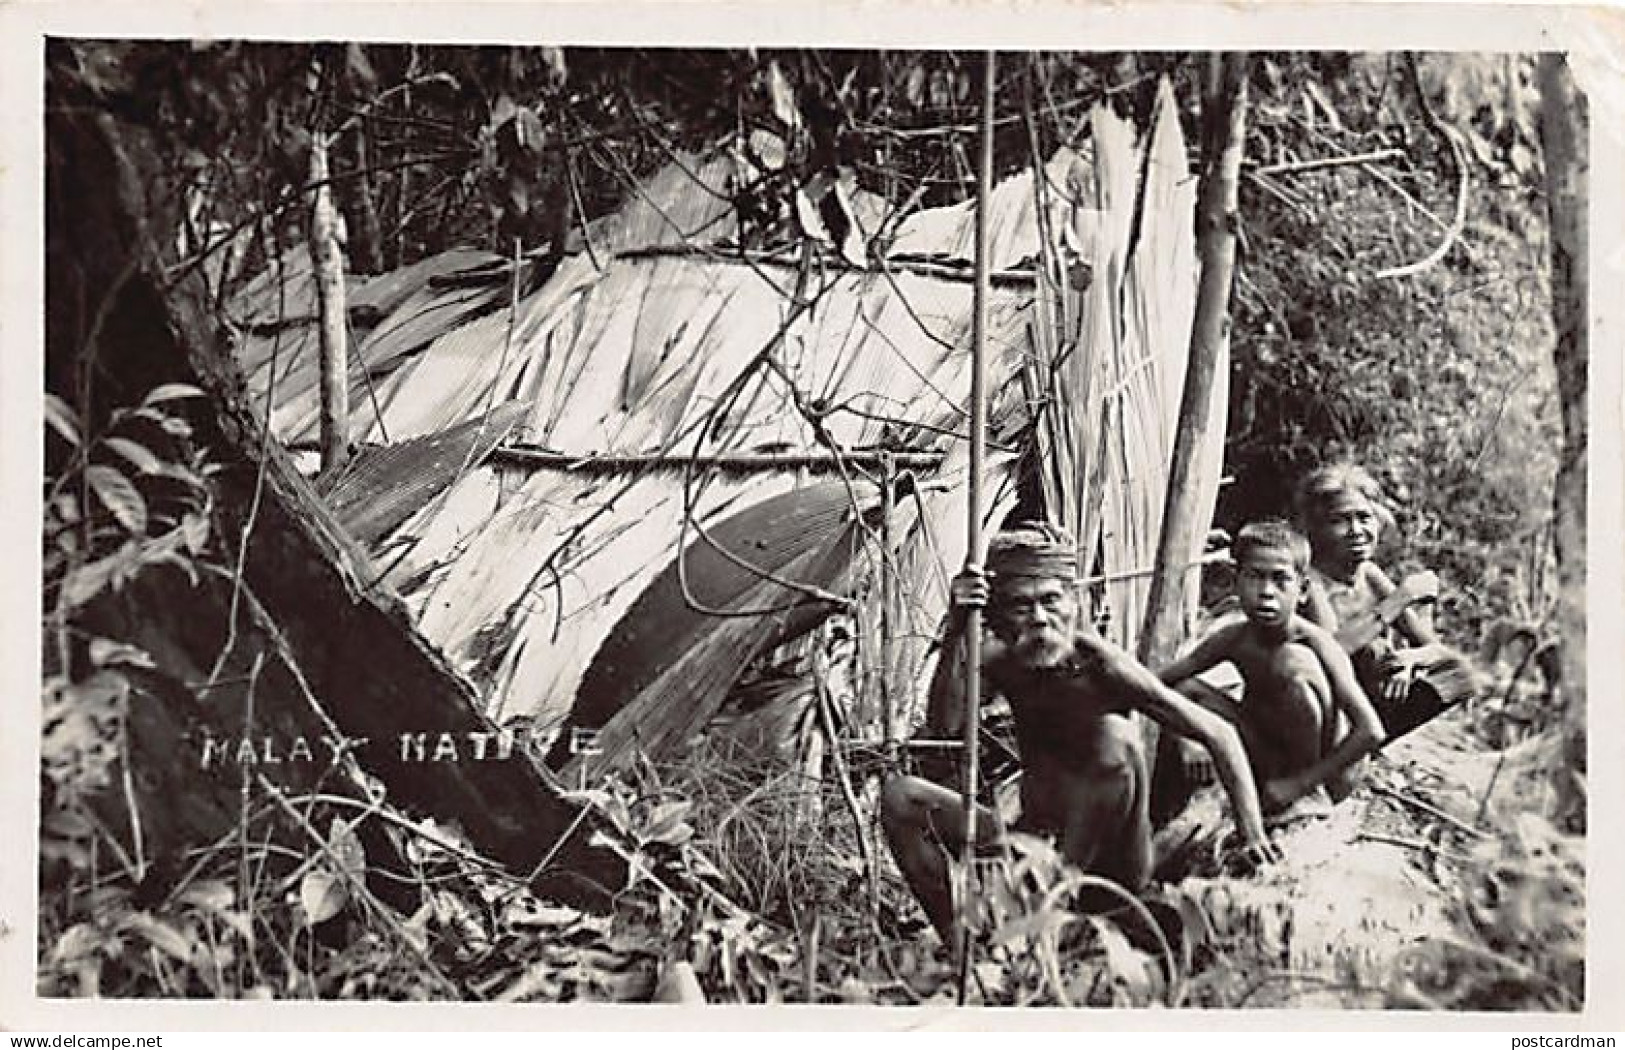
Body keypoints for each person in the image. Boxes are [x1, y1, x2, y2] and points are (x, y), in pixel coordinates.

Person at [879, 525, 1278, 945]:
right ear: (997, 616)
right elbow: (945, 725)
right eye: (1020, 606)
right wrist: (958, 627)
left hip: (1109, 866)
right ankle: (963, 946)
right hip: (1030, 841)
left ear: (1075, 602)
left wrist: (1252, 834)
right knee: (900, 796)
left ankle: (1045, 914)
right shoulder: (1003, 663)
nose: (1039, 619)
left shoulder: (1100, 666)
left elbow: (1220, 733)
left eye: (1050, 600)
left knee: (1116, 737)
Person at [1157, 520, 1388, 816]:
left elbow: (1371, 731)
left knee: (1291, 660)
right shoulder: (1235, 638)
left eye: (1281, 580)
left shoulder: (1317, 644)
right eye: (1254, 577)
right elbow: (1162, 683)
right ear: (1235, 580)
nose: (1266, 592)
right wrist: (1188, 738)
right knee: (1187, 690)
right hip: (1268, 749)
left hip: (1324, 770)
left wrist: (1300, 783)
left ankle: (1308, 798)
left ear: (1302, 589)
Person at [1296, 462, 1478, 740]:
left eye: (1364, 518)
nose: (1356, 530)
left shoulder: (1369, 574)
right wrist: (1401, 598)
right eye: (1339, 520)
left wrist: (1408, 661)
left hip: (1372, 697)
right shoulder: (1312, 581)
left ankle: (1365, 747)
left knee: (1459, 675)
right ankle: (1341, 754)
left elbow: (1436, 649)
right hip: (1327, 703)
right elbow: (1333, 651)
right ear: (1316, 529)